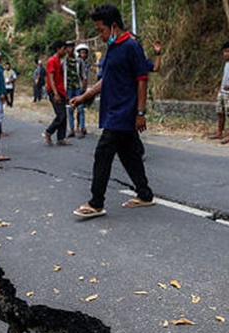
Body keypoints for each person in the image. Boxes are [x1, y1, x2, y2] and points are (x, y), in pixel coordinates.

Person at [70, 4, 154, 219]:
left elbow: (142, 80)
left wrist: (140, 113)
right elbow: (105, 80)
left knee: (103, 153)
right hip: (113, 110)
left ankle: (96, 203)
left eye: (101, 30)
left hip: (123, 112)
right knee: (129, 155)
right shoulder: (113, 48)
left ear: (114, 26)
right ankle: (144, 194)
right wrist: (84, 97)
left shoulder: (131, 46)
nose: (99, 35)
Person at [42, 40, 71, 146]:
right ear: (58, 49)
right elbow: (51, 78)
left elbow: (61, 79)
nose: (65, 51)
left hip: (61, 91)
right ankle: (48, 131)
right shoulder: (52, 61)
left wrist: (64, 93)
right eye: (64, 48)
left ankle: (61, 138)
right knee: (60, 115)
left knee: (64, 115)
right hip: (55, 91)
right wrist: (55, 93)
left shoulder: (60, 61)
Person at [65, 42, 88, 139]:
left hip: (78, 87)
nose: (69, 49)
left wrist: (84, 87)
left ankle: (82, 128)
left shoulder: (79, 61)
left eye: (71, 47)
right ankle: (71, 129)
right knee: (70, 109)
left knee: (80, 108)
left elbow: (84, 75)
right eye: (67, 48)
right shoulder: (64, 61)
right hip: (69, 88)